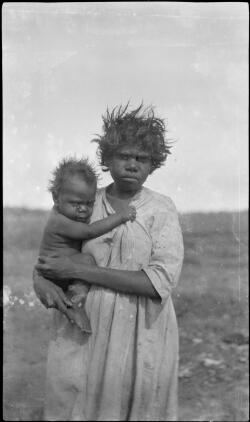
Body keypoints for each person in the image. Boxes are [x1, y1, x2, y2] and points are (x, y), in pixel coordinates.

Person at [34, 103, 184, 421]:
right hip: (85, 329)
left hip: (141, 331)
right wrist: (43, 282)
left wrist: (80, 270)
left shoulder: (161, 209)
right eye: (124, 156)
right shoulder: (84, 203)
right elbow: (51, 258)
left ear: (153, 164)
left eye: (141, 159)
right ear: (106, 159)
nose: (132, 165)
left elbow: (157, 283)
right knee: (75, 406)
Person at [38, 156, 136, 333]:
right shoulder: (59, 221)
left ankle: (71, 304)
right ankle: (75, 304)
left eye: (89, 203)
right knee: (87, 260)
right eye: (75, 203)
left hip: (57, 267)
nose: (83, 209)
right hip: (55, 267)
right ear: (55, 198)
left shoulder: (65, 213)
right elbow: (88, 232)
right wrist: (121, 216)